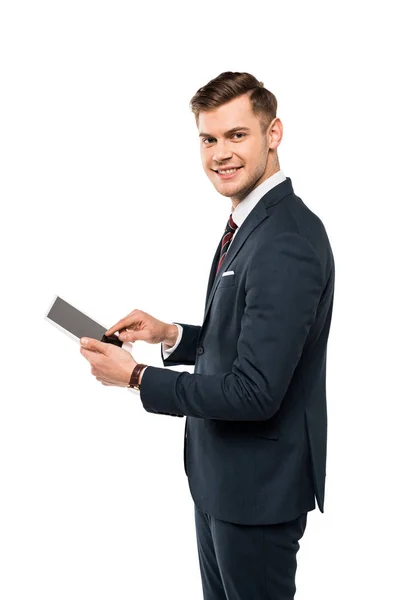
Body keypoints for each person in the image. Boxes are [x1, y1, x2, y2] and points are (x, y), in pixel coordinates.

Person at [80, 71, 335, 600]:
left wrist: (136, 377)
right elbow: (249, 339)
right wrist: (172, 334)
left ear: (274, 133)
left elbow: (255, 391)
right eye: (209, 138)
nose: (221, 153)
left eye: (237, 135)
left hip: (257, 492)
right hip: (223, 483)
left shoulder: (285, 240)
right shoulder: (252, 223)